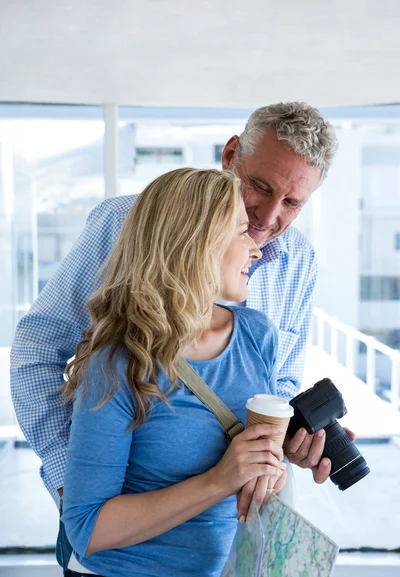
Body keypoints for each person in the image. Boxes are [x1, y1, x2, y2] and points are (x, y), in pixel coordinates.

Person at [11, 101, 353, 514]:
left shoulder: (298, 261)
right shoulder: (123, 225)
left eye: (292, 202)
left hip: (233, 527)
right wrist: (76, 485)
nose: (268, 215)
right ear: (230, 156)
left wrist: (289, 440)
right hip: (127, 516)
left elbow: (276, 386)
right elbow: (37, 351)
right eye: (261, 187)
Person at [56, 168, 287, 577]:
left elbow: (250, 454)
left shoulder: (258, 336)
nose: (256, 249)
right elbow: (86, 527)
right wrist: (219, 480)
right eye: (242, 231)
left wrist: (276, 462)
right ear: (196, 244)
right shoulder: (119, 362)